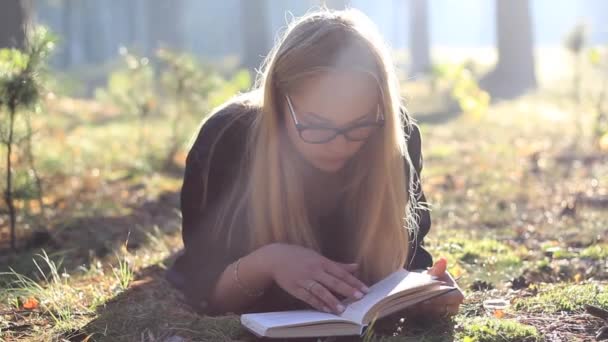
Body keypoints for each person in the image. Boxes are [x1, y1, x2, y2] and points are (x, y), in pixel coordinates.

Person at [166, 8, 464, 320]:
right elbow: (204, 290)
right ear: (279, 103)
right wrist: (267, 263)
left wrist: (427, 292)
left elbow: (409, 261)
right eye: (317, 126)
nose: (340, 143)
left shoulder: (393, 136)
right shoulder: (227, 138)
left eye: (359, 125)